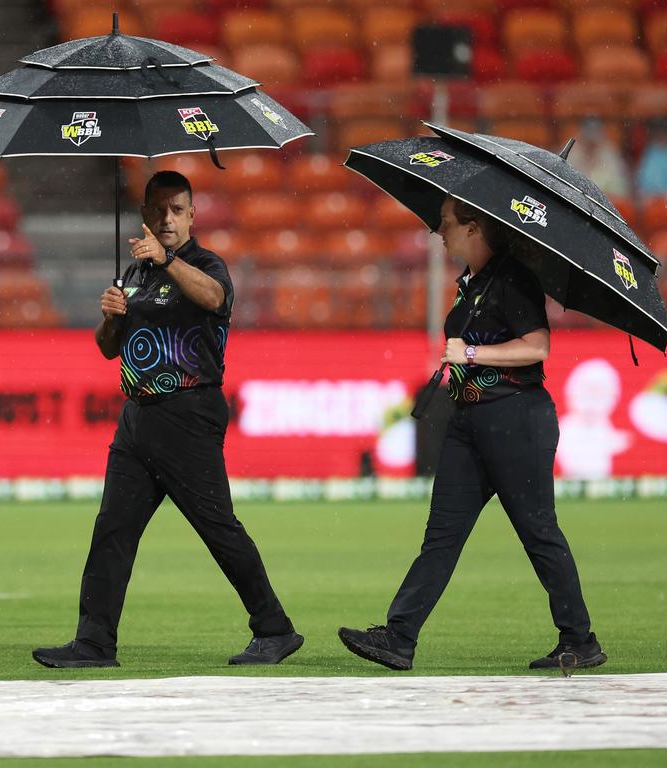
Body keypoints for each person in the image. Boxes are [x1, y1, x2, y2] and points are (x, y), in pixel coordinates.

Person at [33, 171, 302, 668]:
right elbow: (109, 349)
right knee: (113, 529)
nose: (167, 219)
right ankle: (94, 643)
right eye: (158, 210)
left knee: (218, 527)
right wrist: (111, 317)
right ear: (144, 216)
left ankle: (275, 629)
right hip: (137, 416)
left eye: (177, 210)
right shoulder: (134, 274)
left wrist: (168, 260)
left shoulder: (204, 264)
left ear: (193, 215)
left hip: (187, 414)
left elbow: (215, 299)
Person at [338, 195, 605, 672]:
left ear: (473, 227)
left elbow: (537, 346)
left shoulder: (513, 278)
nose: (438, 231)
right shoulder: (474, 283)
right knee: (441, 535)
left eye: (445, 223)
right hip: (471, 421)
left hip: (516, 418)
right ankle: (399, 637)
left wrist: (473, 356)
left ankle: (580, 640)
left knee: (538, 532)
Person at [568, 117, 631, 199]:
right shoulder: (571, 154)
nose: (590, 144)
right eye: (587, 140)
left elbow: (620, 191)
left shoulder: (611, 156)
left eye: (593, 141)